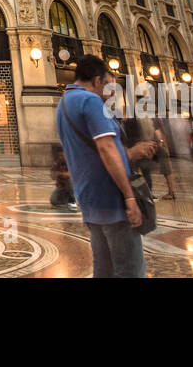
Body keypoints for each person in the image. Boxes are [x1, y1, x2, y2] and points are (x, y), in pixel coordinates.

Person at [56, 54, 158, 278]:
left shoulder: (62, 104)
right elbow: (106, 149)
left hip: (90, 200)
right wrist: (129, 197)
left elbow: (80, 157)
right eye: (106, 85)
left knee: (104, 270)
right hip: (112, 199)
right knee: (130, 271)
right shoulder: (90, 101)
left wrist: (130, 153)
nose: (109, 94)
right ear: (96, 81)